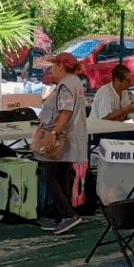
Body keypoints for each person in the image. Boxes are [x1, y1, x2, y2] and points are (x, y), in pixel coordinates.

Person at [34, 52, 89, 235]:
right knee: (61, 176)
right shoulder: (76, 82)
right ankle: (61, 217)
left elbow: (65, 113)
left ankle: (68, 215)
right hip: (72, 137)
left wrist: (53, 133)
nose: (52, 69)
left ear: (62, 67)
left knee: (50, 176)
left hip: (62, 137)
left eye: (54, 66)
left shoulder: (66, 85)